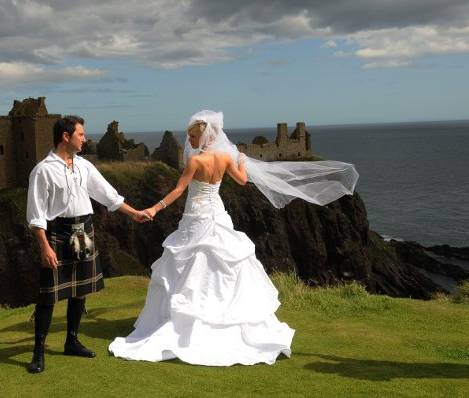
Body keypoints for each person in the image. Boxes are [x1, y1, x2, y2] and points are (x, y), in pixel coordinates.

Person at [108, 110, 358, 366]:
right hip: (216, 212)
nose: (190, 142)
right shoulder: (226, 158)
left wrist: (155, 208)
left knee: (192, 263)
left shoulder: (195, 161)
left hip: (197, 215)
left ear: (203, 136)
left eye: (193, 137)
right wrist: (240, 159)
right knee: (219, 262)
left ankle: (190, 319)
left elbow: (178, 190)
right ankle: (219, 314)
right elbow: (243, 180)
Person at [26, 115, 149, 374]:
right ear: (65, 136)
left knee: (80, 291)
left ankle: (71, 341)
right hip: (58, 233)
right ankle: (38, 352)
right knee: (48, 296)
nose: (85, 138)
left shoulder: (84, 166)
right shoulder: (43, 170)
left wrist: (134, 212)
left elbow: (107, 194)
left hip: (85, 230)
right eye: (81, 134)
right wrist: (44, 246)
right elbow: (36, 215)